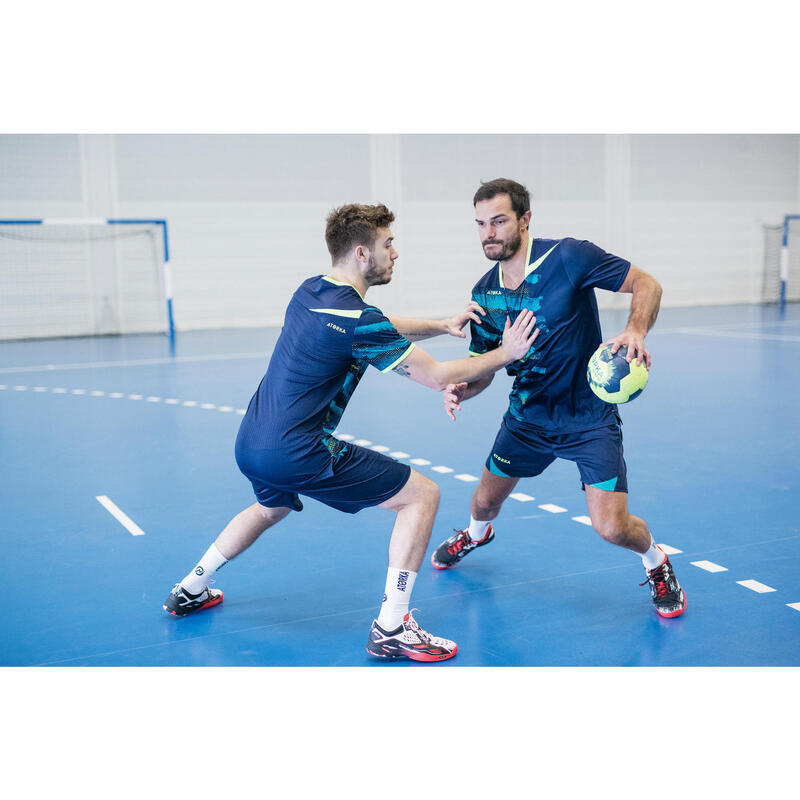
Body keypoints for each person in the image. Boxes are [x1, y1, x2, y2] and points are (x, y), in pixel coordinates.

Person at [163, 202, 539, 661]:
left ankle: (191, 587)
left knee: (269, 509)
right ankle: (393, 626)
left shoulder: (311, 291)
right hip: (297, 449)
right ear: (362, 254)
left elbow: (378, 325)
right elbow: (439, 376)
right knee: (421, 496)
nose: (395, 253)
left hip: (251, 442)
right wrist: (507, 352)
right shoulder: (359, 321)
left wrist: (440, 324)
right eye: (388, 244)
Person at [430, 178, 686, 619]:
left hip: (589, 419)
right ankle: (476, 534)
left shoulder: (567, 257)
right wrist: (463, 389)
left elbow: (648, 284)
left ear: (525, 219)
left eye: (499, 221)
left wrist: (635, 330)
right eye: (480, 224)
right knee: (484, 503)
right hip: (527, 419)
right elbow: (485, 366)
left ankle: (657, 562)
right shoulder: (484, 293)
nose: (488, 233)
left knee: (612, 528)